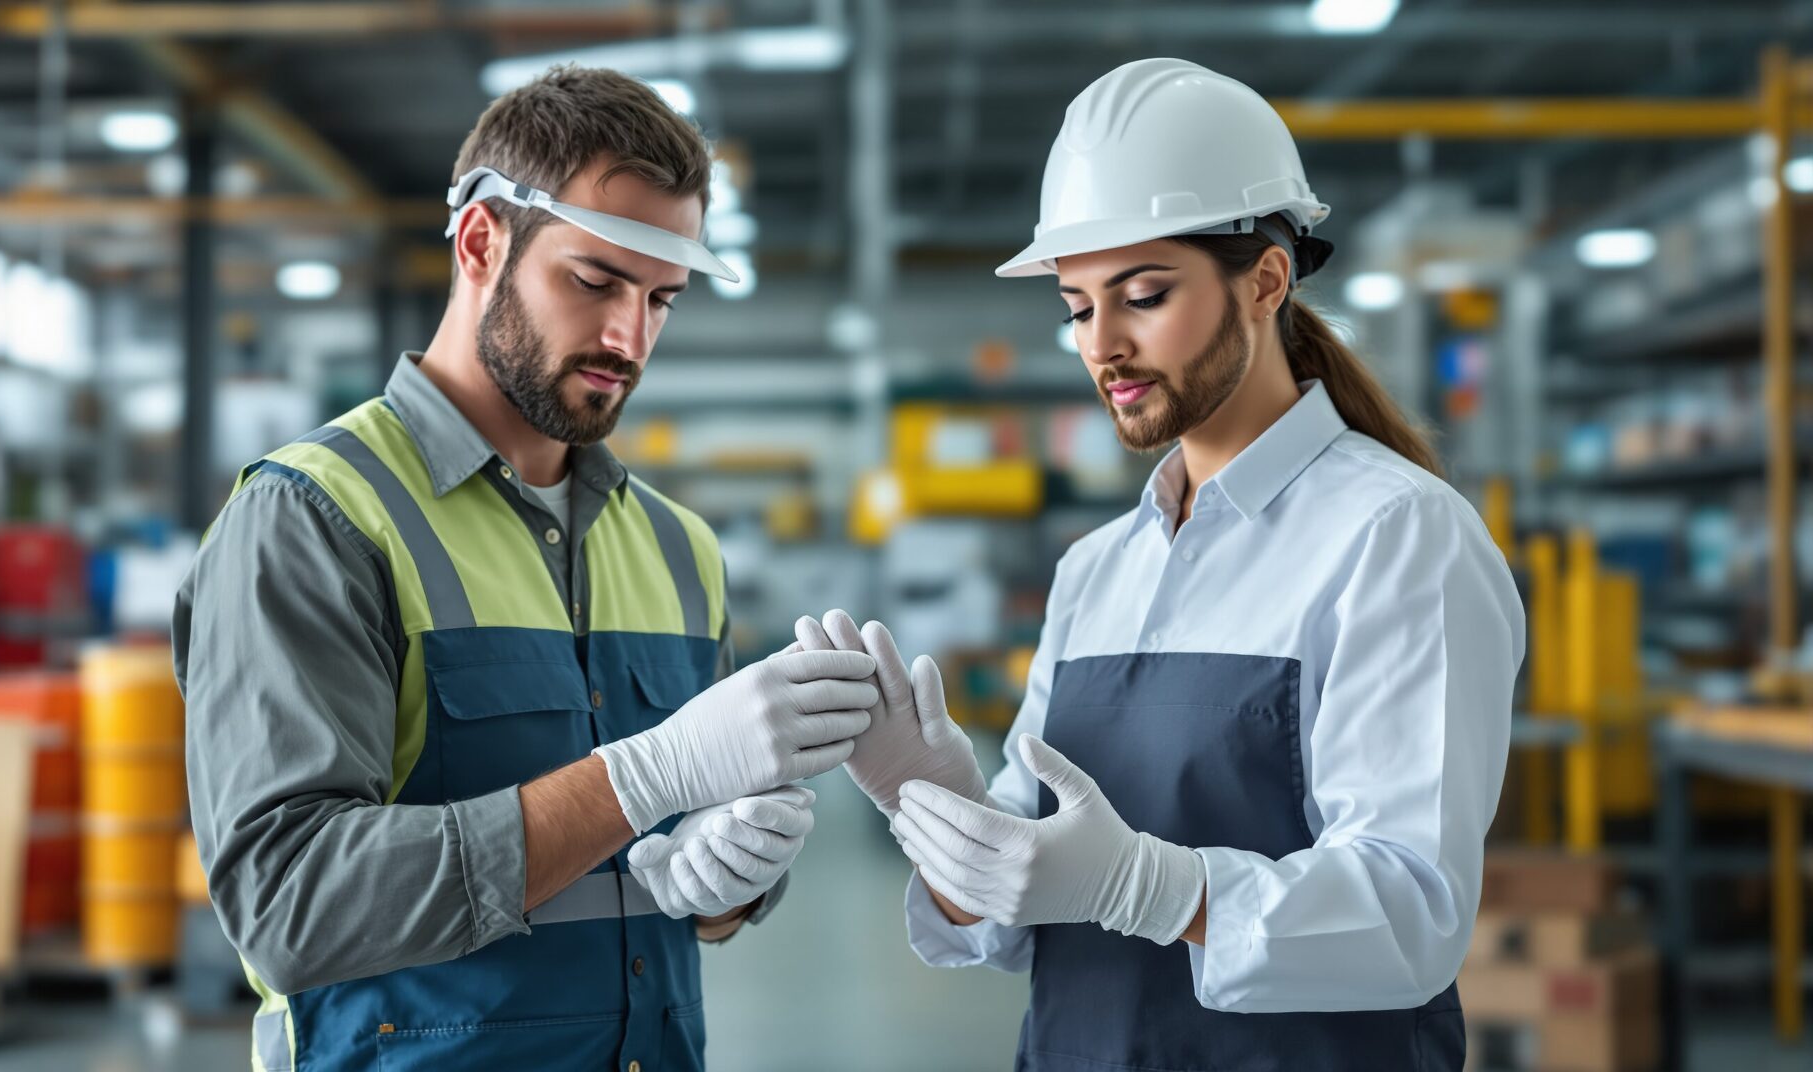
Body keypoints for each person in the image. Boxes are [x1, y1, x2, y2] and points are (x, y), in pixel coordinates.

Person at [791, 58, 1525, 1071]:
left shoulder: (1396, 537)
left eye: (1142, 295)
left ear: (1265, 281)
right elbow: (1021, 906)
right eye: (1078, 307)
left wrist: (1160, 889)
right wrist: (939, 811)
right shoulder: (1097, 569)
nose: (1104, 346)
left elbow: (1413, 912)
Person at [173, 66, 879, 1072]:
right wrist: (640, 777)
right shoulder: (315, 520)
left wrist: (733, 880)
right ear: (479, 244)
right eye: (595, 281)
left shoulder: (681, 552)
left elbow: (670, 885)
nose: (629, 337)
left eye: (661, 299)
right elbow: (291, 905)